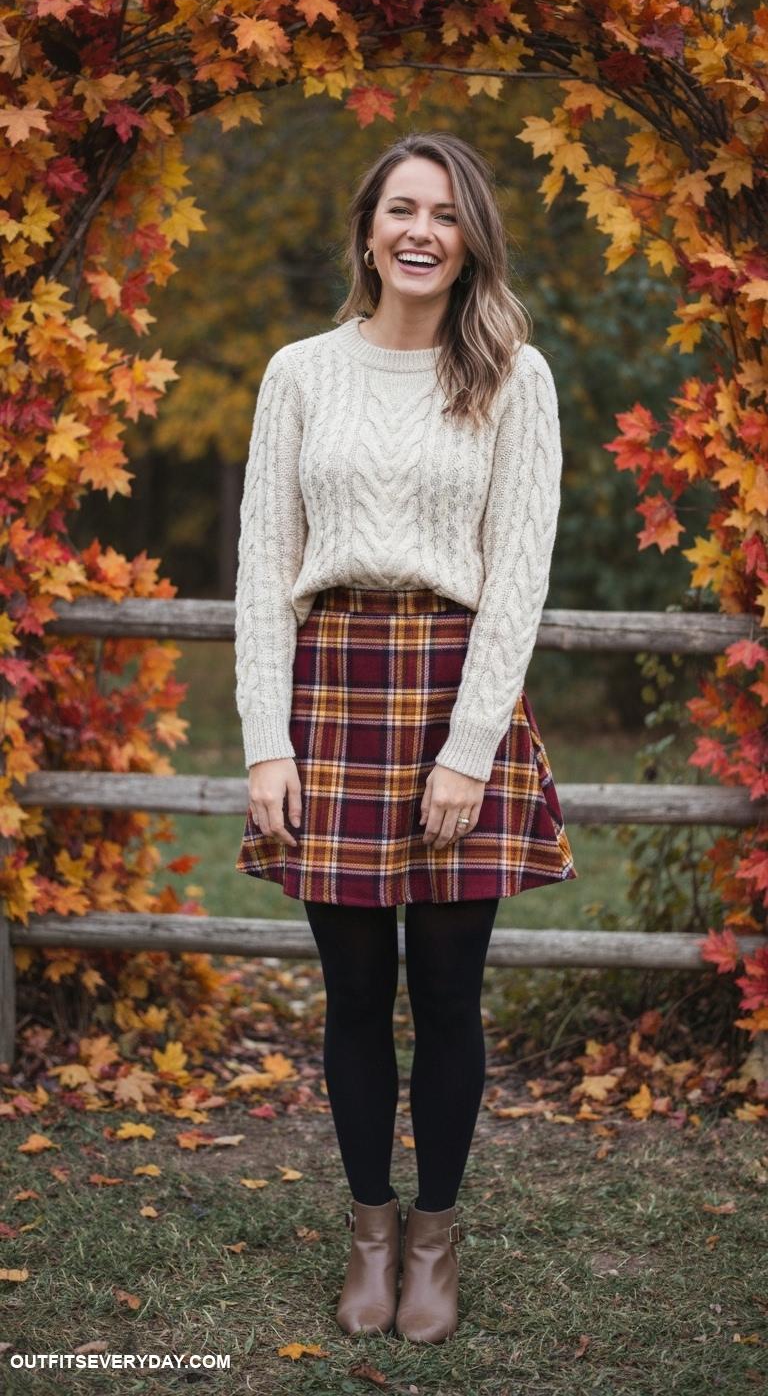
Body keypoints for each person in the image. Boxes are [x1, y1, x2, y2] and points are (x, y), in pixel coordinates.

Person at [234, 130, 577, 1344]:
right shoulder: (300, 372)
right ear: (369, 232)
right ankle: (369, 1233)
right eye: (401, 210)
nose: (422, 231)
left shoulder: (514, 377)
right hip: (329, 694)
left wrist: (471, 747)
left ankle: (435, 1235)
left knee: (446, 992)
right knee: (351, 993)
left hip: (453, 688)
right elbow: (264, 565)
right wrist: (265, 739)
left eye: (445, 213)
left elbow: (519, 574)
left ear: (471, 238)